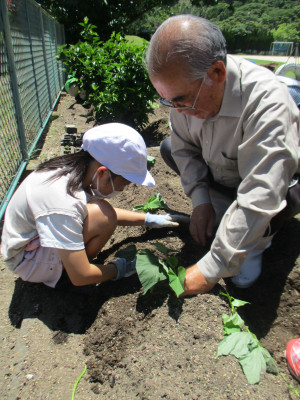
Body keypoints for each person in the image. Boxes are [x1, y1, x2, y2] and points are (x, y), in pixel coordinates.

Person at [145, 15, 300, 294]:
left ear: (217, 73)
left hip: (277, 186)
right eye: (167, 100)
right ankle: (224, 212)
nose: (176, 110)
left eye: (181, 100)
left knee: (274, 197)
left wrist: (213, 265)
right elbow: (184, 150)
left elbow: (262, 191)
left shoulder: (267, 103)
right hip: (228, 175)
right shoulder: (184, 97)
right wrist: (201, 202)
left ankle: (257, 243)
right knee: (170, 148)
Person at [0, 123, 184, 290]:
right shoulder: (61, 201)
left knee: (102, 212)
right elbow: (81, 277)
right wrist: (119, 268)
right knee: (101, 215)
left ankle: (72, 262)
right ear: (103, 172)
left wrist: (149, 219)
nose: (122, 189)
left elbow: (86, 212)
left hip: (30, 242)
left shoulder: (71, 170)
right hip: (28, 262)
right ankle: (68, 270)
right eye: (124, 183)